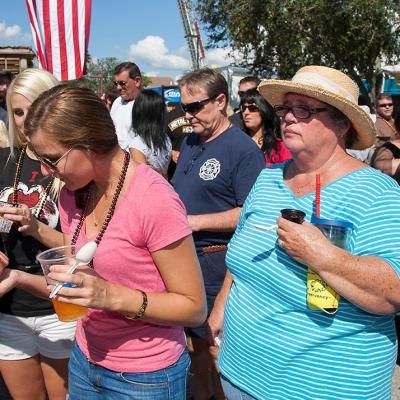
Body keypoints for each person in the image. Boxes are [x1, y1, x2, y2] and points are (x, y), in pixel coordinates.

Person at [1, 84, 206, 399]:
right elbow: (76, 280)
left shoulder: (153, 198)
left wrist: (111, 296)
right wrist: (16, 277)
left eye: (52, 159)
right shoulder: (74, 192)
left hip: (145, 377)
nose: (45, 170)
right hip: (84, 360)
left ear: (88, 144)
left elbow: (193, 309)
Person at [210, 65, 400, 400]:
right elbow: (239, 253)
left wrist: (321, 254)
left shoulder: (377, 192)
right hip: (238, 374)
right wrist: (220, 309)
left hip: (322, 388)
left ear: (341, 124)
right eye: (286, 109)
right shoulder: (269, 178)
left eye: (305, 110)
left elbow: (393, 292)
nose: (288, 118)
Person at [172, 68, 265, 400]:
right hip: (186, 261)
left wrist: (195, 221)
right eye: (184, 107)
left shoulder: (242, 150)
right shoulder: (190, 140)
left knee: (217, 350)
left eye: (195, 106)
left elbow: (251, 213)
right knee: (195, 348)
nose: (187, 115)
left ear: (221, 100)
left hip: (217, 265)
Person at [0, 68, 75, 400]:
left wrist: (37, 228)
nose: (26, 119)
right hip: (8, 310)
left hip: (60, 308)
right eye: (18, 111)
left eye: (34, 108)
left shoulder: (73, 166)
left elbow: (90, 247)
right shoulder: (4, 161)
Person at [240, 88, 291, 166]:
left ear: (264, 109)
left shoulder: (281, 147)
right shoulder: (238, 142)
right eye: (243, 108)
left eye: (252, 108)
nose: (246, 112)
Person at [129, 89, 172, 177]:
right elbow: (165, 173)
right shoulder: (166, 139)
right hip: (165, 187)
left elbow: (143, 178)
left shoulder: (138, 144)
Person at [110, 62, 143, 150]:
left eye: (122, 83)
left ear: (137, 81)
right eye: (116, 83)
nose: (118, 87)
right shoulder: (117, 102)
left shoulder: (147, 105)